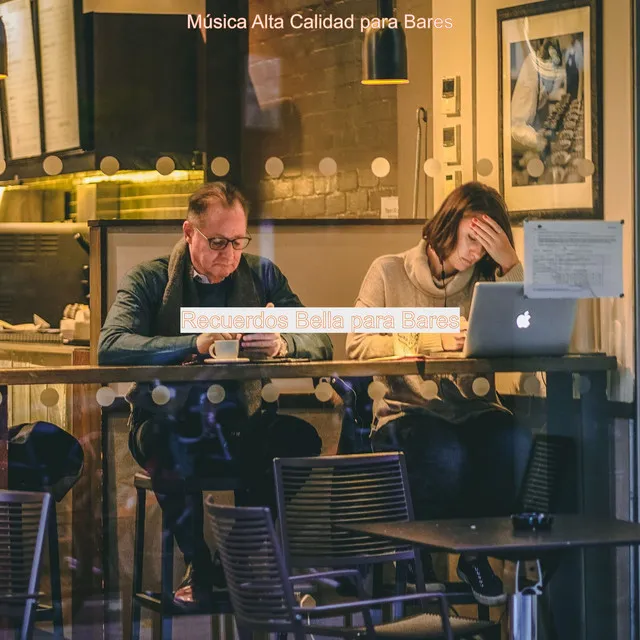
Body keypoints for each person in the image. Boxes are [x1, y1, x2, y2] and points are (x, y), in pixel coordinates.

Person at [98, 181, 333, 609]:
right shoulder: (150, 279)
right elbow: (110, 344)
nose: (229, 253)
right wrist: (193, 343)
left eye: (238, 241)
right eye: (218, 241)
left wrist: (282, 343)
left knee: (297, 442)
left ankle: (237, 559)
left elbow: (319, 337)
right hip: (166, 418)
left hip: (242, 419)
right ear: (189, 233)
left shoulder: (263, 275)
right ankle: (199, 564)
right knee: (166, 446)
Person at [346, 182, 524, 606]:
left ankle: (473, 552)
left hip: (471, 408)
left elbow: (526, 331)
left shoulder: (485, 280)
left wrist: (511, 264)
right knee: (444, 452)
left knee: (512, 440)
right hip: (405, 413)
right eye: (472, 240)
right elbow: (357, 343)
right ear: (447, 226)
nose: (475, 253)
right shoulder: (388, 271)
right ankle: (424, 560)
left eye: (487, 246)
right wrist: (428, 338)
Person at [511, 38, 566, 154]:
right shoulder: (531, 77)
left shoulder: (542, 67)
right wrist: (540, 141)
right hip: (516, 146)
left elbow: (546, 92)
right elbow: (516, 127)